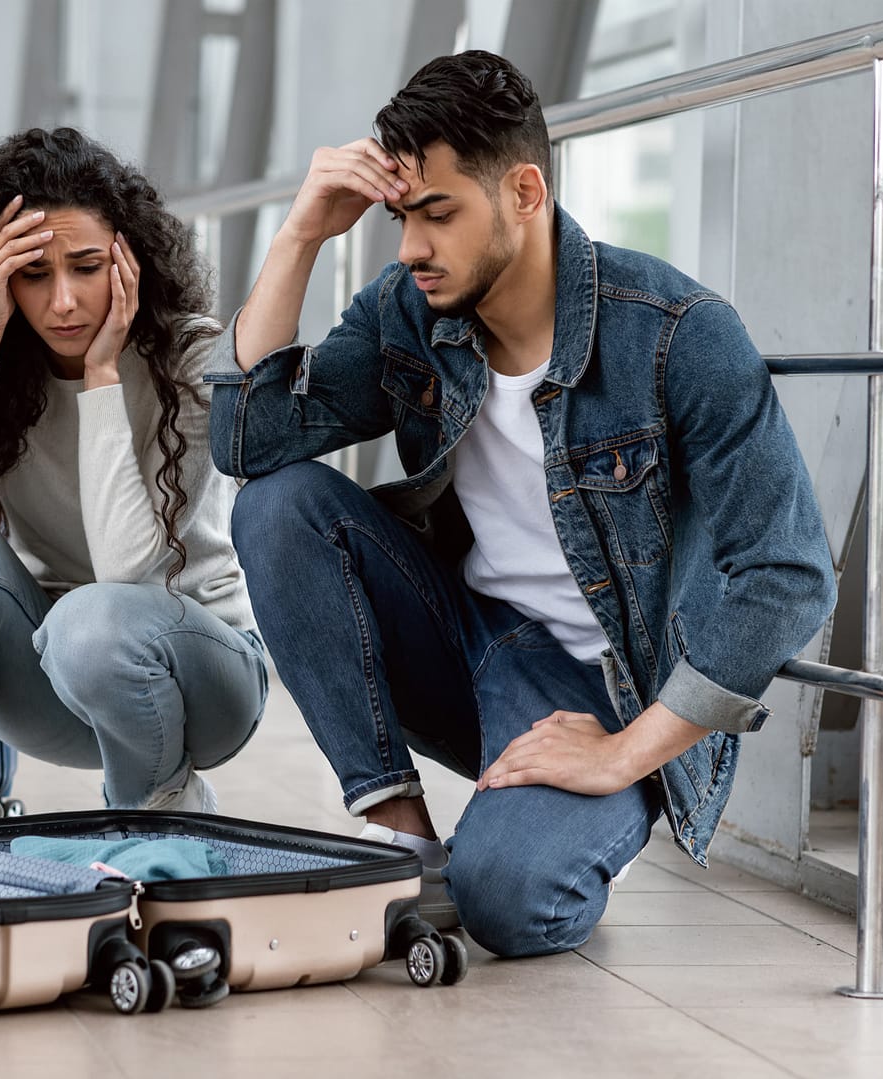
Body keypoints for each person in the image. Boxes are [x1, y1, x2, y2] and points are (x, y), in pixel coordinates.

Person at [205, 51, 836, 953]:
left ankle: (553, 827)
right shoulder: (407, 312)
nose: (410, 248)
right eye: (399, 218)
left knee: (509, 900)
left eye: (437, 214)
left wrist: (621, 753)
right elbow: (246, 444)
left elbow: (789, 574)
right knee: (276, 505)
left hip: (603, 691)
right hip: (462, 639)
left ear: (524, 192)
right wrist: (299, 234)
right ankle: (402, 841)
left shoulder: (674, 335)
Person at [0, 127, 268, 826]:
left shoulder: (190, 358)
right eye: (34, 275)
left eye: (86, 267)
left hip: (205, 682)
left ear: (128, 262)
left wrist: (101, 375)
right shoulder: (5, 367)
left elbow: (125, 570)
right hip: (59, 680)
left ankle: (160, 802)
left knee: (90, 621)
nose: (62, 301)